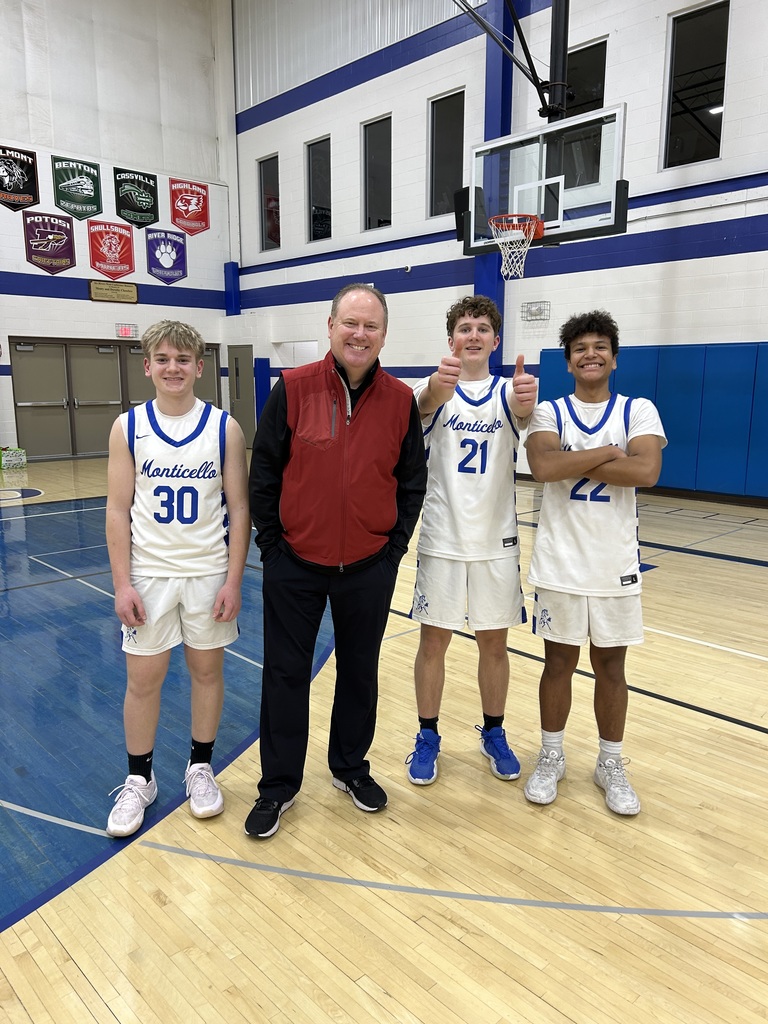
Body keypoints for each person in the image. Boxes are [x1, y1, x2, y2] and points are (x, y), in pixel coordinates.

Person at [245, 283, 427, 839]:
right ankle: (278, 786)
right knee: (284, 675)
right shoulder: (293, 388)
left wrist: (393, 550)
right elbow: (264, 472)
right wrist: (273, 546)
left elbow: (411, 482)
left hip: (369, 565)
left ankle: (350, 768)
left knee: (359, 672)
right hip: (295, 563)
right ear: (330, 326)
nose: (359, 334)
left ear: (384, 335)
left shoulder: (400, 400)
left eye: (371, 326)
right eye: (350, 322)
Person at [105, 320, 250, 837]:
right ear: (147, 366)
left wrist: (234, 581)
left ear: (199, 367)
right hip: (149, 575)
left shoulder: (224, 428)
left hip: (208, 572)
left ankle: (200, 768)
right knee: (142, 681)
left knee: (207, 673)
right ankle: (139, 779)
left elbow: (240, 508)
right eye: (163, 359)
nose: (173, 368)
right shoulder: (128, 427)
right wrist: (122, 584)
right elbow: (117, 509)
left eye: (183, 360)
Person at [523, 310, 666, 815]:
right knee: (557, 664)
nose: (591, 354)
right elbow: (544, 466)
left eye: (600, 346)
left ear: (614, 357)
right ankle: (551, 756)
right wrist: (609, 452)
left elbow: (646, 471)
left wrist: (576, 458)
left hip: (614, 565)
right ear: (568, 361)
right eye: (580, 348)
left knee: (611, 667)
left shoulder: (637, 410)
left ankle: (610, 763)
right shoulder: (549, 412)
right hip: (559, 563)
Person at [405, 295, 537, 786]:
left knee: (494, 645)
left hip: (496, 542)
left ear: (496, 340)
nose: (474, 335)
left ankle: (494, 732)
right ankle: (427, 735)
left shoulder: (511, 391)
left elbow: (524, 415)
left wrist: (527, 401)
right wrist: (433, 391)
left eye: (483, 328)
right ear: (451, 339)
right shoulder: (433, 389)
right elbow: (420, 407)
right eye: (465, 328)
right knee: (432, 643)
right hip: (442, 537)